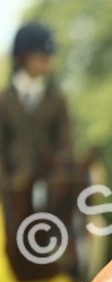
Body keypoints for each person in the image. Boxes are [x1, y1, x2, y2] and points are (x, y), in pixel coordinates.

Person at [0, 22, 73, 190]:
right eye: (42, 57)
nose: (49, 62)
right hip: (11, 187)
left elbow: (66, 144)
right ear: (24, 58)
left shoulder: (57, 99)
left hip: (51, 186)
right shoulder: (4, 100)